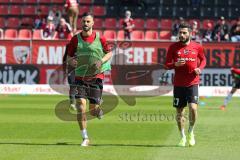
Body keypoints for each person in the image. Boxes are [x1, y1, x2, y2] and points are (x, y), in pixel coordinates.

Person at [67, 12, 112, 147]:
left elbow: (109, 52)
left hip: (96, 77)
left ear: (93, 23)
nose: (85, 24)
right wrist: (71, 62)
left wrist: (101, 61)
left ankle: (98, 109)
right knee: (81, 106)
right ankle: (85, 137)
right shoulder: (75, 39)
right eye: (84, 22)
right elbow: (69, 57)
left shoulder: (100, 38)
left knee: (93, 110)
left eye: (88, 22)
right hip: (80, 76)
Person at [165, 23, 206, 147]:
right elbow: (166, 64)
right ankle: (182, 137)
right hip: (178, 84)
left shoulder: (197, 47)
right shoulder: (173, 47)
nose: (182, 35)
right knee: (180, 112)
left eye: (184, 33)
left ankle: (191, 132)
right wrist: (175, 65)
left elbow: (203, 59)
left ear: (190, 34)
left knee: (193, 108)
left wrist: (200, 68)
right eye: (180, 33)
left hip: (192, 82)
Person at [63, 43, 76, 111]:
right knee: (72, 86)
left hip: (82, 70)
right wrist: (64, 70)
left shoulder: (85, 45)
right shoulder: (69, 45)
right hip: (71, 70)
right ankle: (72, 103)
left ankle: (96, 99)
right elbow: (65, 58)